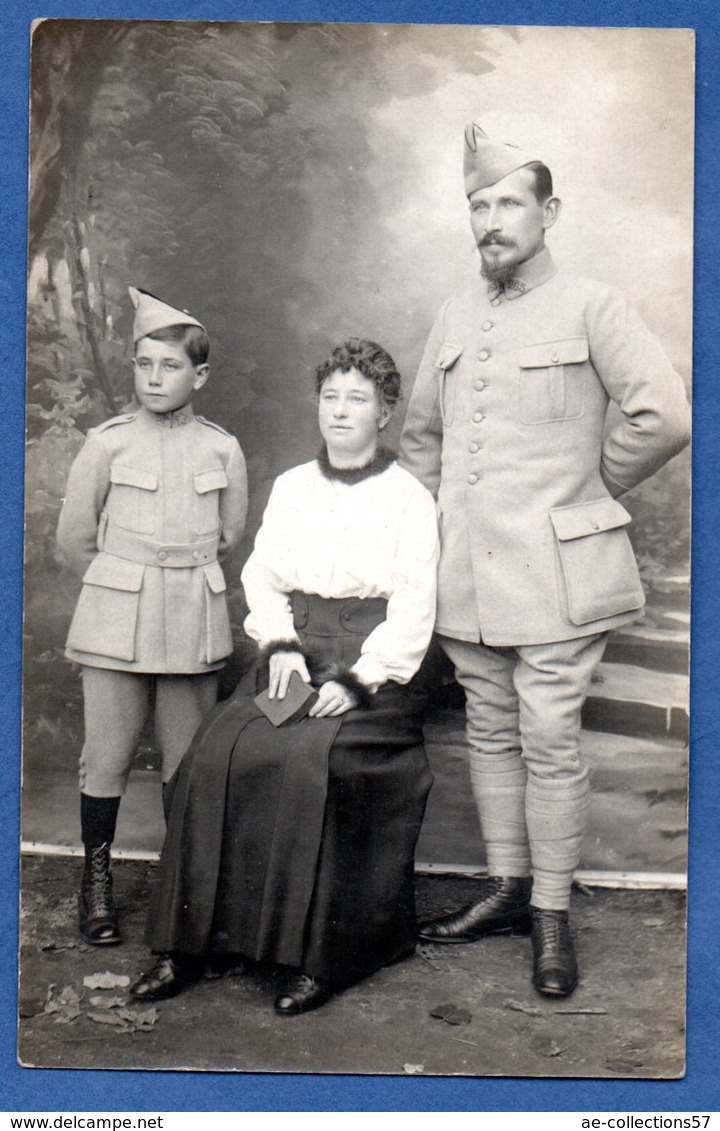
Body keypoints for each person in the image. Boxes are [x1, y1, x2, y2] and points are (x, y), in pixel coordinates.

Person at [399, 124, 691, 997]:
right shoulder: (454, 316)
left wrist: (585, 491)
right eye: (478, 205)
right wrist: (424, 542)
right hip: (469, 578)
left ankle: (554, 915)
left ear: (549, 212)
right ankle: (506, 890)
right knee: (489, 729)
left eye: (508, 203)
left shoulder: (595, 305)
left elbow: (665, 417)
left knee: (550, 741)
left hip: (560, 576)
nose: (491, 220)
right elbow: (421, 440)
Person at [129, 338, 439, 1016]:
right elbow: (262, 577)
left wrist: (359, 680)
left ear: (384, 412)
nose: (340, 410)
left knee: (314, 758)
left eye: (358, 398)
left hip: (375, 663)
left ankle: (321, 953)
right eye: (331, 396)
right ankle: (187, 944)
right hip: (297, 649)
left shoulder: (409, 498)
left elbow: (414, 609)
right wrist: (281, 645)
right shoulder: (295, 486)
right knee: (217, 749)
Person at [56, 287, 248, 947]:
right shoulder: (106, 445)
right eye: (144, 365)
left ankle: (181, 891)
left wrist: (172, 582)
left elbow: (227, 535)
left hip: (191, 621)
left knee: (185, 764)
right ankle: (97, 882)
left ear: (200, 376)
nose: (155, 378)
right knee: (105, 757)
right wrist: (121, 587)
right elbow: (74, 540)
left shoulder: (222, 450)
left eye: (170, 366)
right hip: (115, 621)